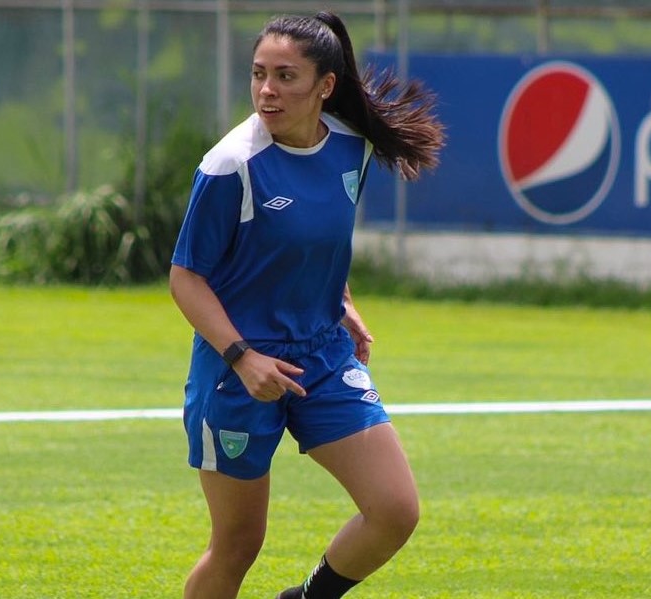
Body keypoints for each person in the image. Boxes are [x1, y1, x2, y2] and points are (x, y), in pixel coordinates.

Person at [169, 11, 445, 599]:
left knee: (395, 510)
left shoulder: (350, 148)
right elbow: (186, 278)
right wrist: (244, 358)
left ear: (325, 86)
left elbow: (322, 238)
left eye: (286, 76)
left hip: (323, 355)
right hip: (236, 370)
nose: (267, 90)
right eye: (259, 74)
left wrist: (341, 300)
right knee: (238, 544)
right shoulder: (231, 165)